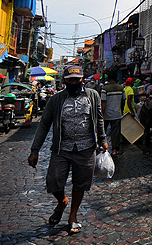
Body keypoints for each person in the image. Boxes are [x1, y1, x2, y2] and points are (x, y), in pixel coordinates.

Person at [27, 65, 108, 235]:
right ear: (64, 81)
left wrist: (103, 139)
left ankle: (73, 216)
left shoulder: (92, 96)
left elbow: (99, 119)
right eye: (70, 80)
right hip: (61, 148)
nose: (73, 82)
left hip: (86, 148)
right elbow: (44, 125)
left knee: (81, 183)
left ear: (82, 79)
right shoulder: (56, 100)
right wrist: (35, 150)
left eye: (76, 79)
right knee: (53, 180)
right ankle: (62, 201)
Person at [101, 72, 125, 157]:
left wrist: (102, 114)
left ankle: (103, 148)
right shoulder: (121, 88)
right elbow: (123, 100)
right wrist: (121, 110)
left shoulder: (105, 88)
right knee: (115, 133)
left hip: (106, 114)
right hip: (117, 114)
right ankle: (114, 150)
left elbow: (103, 102)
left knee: (102, 132)